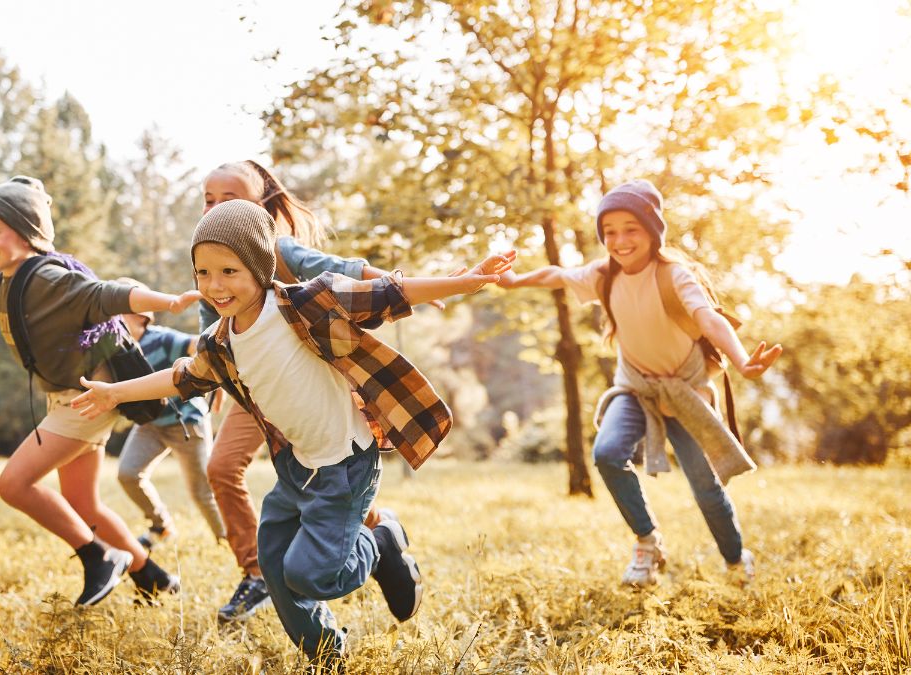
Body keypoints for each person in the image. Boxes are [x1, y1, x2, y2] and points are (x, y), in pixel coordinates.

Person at [72, 200, 515, 670]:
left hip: (345, 464)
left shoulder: (305, 304)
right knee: (276, 567)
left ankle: (380, 541)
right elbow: (182, 377)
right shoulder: (220, 343)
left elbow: (385, 292)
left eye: (229, 270)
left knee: (312, 575)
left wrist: (467, 281)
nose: (215, 285)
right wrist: (114, 393)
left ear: (260, 267)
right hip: (296, 467)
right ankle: (327, 654)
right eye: (203, 272)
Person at [0, 176, 200, 606]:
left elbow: (106, 294)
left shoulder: (50, 278)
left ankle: (98, 558)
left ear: (28, 232)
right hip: (68, 397)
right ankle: (153, 578)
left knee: (14, 484)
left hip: (88, 396)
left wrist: (168, 302)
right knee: (82, 503)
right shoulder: (2, 282)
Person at [497, 179, 782, 586]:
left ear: (652, 230)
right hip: (635, 388)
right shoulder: (603, 275)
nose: (619, 240)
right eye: (609, 231)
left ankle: (737, 560)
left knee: (705, 486)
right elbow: (557, 274)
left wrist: (742, 360)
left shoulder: (674, 275)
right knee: (608, 453)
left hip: (685, 391)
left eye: (631, 228)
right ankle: (648, 542)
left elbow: (708, 318)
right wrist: (514, 280)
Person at [198, 159, 442, 623]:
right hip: (256, 391)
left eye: (229, 199)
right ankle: (264, 571)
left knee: (316, 473)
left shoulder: (281, 249)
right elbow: (211, 331)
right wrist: (211, 386)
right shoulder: (212, 257)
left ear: (262, 205)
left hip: (307, 384)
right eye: (208, 199)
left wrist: (399, 286)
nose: (214, 208)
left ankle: (368, 539)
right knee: (227, 467)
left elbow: (340, 269)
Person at [113, 280, 228, 548]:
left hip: (186, 424)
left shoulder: (163, 339)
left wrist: (217, 375)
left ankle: (227, 539)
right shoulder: (117, 349)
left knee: (201, 492)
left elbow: (198, 345)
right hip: (150, 425)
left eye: (120, 311)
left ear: (141, 315)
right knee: (128, 474)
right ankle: (161, 527)